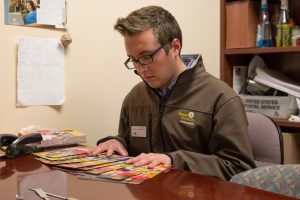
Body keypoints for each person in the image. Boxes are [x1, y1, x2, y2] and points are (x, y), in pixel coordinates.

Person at [90, 5, 256, 180]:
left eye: (146, 57)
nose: (140, 69)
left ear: (175, 47)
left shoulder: (222, 98)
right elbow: (131, 145)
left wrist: (173, 160)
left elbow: (239, 169)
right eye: (133, 60)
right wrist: (117, 142)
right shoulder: (135, 97)